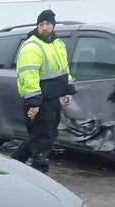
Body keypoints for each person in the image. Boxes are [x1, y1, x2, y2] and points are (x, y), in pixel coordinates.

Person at [12, 9, 75, 173]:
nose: (45, 27)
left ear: (53, 25)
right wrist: (33, 103)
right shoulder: (32, 46)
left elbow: (64, 69)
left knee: (45, 135)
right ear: (37, 26)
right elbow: (28, 76)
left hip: (52, 99)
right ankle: (39, 171)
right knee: (43, 139)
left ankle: (14, 161)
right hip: (38, 101)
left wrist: (67, 90)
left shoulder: (58, 44)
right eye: (41, 24)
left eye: (48, 24)